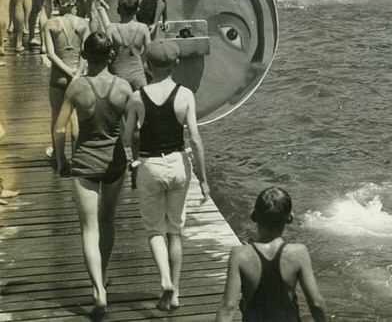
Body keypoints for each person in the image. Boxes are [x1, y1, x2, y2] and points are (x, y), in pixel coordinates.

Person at [122, 38, 210, 312]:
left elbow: (127, 138)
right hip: (179, 165)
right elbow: (195, 139)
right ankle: (176, 293)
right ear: (176, 64)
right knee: (175, 231)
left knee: (153, 230)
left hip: (151, 165)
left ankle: (164, 280)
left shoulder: (138, 97)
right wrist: (204, 179)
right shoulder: (185, 95)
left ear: (147, 65)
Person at [52, 31, 131, 318]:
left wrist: (61, 160)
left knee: (88, 227)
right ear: (110, 56)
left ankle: (98, 289)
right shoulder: (123, 87)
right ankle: (104, 271)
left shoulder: (76, 87)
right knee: (107, 220)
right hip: (115, 164)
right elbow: (133, 129)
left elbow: (60, 128)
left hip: (84, 164)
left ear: (84, 55)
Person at [215, 187, 328, 322]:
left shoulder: (239, 255)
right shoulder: (298, 253)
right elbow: (316, 303)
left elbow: (228, 307)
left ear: (254, 215)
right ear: (289, 217)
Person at [43, 0, 88, 149]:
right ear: (74, 1)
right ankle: (76, 153)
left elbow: (50, 54)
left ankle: (56, 151)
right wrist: (77, 72)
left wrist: (67, 71)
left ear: (57, 3)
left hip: (58, 77)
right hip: (78, 76)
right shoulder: (83, 23)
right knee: (74, 117)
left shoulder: (50, 24)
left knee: (56, 116)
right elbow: (86, 51)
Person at [95, 0, 151, 90]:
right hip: (138, 76)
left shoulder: (111, 29)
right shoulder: (143, 28)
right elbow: (150, 51)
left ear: (118, 10)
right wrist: (142, 61)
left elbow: (107, 54)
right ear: (137, 10)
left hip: (117, 77)